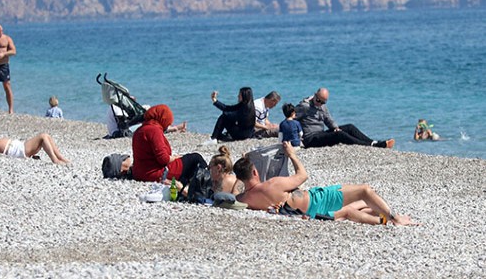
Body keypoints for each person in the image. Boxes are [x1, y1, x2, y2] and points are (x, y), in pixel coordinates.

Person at [235, 141, 417, 226]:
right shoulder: (272, 184)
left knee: (361, 204)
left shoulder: (244, 199)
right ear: (254, 172)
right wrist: (291, 154)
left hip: (310, 212)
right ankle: (395, 219)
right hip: (318, 199)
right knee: (365, 190)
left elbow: (230, 193)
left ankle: (385, 216)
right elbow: (303, 175)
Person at [132, 104, 207, 191]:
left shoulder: (140, 130)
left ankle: (189, 183)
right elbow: (163, 159)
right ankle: (207, 183)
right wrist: (175, 157)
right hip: (154, 173)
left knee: (187, 164)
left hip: (139, 172)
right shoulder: (154, 130)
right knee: (195, 158)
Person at [294, 88, 395, 149]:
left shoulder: (322, 106)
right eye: (318, 100)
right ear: (315, 95)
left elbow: (328, 119)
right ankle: (371, 146)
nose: (319, 103)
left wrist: (335, 127)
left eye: (323, 102)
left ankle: (373, 142)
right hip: (310, 139)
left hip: (320, 134)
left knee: (349, 127)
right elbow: (291, 118)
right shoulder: (305, 106)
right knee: (339, 135)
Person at [0, 132, 70, 165]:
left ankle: (60, 157)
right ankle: (55, 159)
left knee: (46, 136)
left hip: (17, 147)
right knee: (43, 136)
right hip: (17, 149)